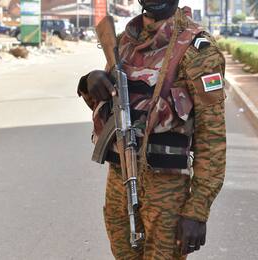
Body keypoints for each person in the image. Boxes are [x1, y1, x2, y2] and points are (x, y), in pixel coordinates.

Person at [77, 0, 226, 259]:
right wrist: (90, 83)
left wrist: (198, 209)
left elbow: (212, 137)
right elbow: (112, 110)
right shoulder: (123, 43)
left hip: (167, 193)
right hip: (120, 182)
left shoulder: (198, 51)